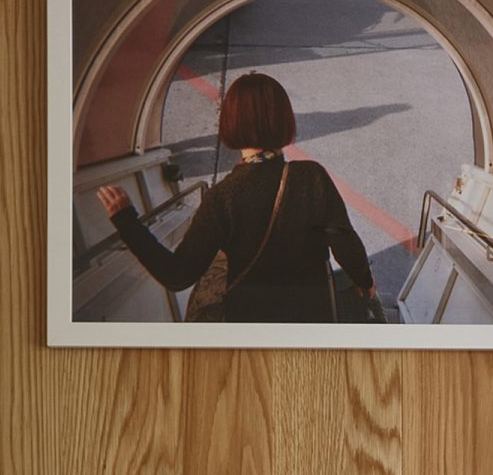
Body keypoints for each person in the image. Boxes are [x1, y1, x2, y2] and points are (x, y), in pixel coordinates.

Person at [96, 72, 380, 324]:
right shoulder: (311, 176)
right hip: (311, 316)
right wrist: (364, 281)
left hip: (249, 320)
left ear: (229, 123)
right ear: (285, 119)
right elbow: (345, 244)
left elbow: (177, 275)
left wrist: (126, 221)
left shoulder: (222, 197)